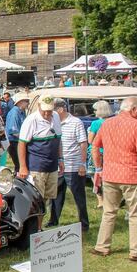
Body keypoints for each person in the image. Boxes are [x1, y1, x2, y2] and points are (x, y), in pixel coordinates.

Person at [91, 97, 137, 262]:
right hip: (131, 176)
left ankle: (102, 246)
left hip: (110, 175)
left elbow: (95, 146)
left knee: (109, 212)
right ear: (133, 109)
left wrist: (99, 169)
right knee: (136, 214)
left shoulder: (107, 123)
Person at [18, 96, 64, 230]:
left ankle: (39, 227)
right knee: (36, 199)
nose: (47, 114)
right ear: (38, 106)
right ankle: (32, 228)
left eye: (49, 111)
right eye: (44, 111)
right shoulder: (31, 120)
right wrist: (23, 166)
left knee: (46, 198)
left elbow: (58, 139)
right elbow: (22, 144)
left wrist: (60, 159)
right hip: (36, 166)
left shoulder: (55, 117)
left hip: (52, 165)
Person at [47, 99, 89, 232]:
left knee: (79, 196)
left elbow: (83, 143)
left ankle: (83, 223)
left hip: (73, 165)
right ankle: (53, 220)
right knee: (55, 195)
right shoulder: (53, 122)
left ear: (60, 109)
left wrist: (82, 164)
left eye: (53, 110)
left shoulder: (76, 122)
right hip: (59, 166)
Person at [5, 93, 29, 173]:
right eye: (26, 101)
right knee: (19, 165)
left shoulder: (22, 112)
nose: (28, 103)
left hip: (19, 141)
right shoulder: (14, 113)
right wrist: (26, 139)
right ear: (20, 102)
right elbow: (13, 131)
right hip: (14, 142)